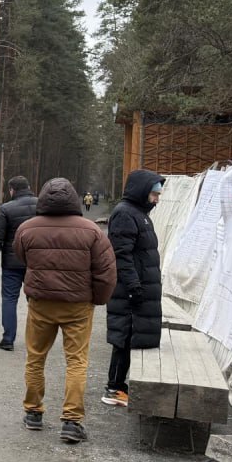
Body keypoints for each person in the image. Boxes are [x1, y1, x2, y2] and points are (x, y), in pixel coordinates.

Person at [12, 177, 117, 443]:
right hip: (78, 306)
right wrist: (98, 300)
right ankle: (71, 421)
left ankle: (33, 413)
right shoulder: (91, 230)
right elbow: (106, 272)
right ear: (74, 199)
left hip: (41, 303)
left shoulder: (27, 228)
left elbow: (22, 257)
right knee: (76, 362)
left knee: (35, 358)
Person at [103, 170, 165, 407]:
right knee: (124, 337)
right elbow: (122, 255)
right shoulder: (125, 214)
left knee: (131, 337)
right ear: (142, 190)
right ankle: (114, 388)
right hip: (129, 289)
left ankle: (119, 385)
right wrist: (133, 286)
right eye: (154, 194)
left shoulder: (139, 214)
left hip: (139, 286)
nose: (157, 199)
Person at [0, 175, 38, 352]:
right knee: (36, 301)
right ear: (29, 187)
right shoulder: (42, 206)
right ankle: (36, 340)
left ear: (11, 190)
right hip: (36, 262)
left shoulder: (6, 208)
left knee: (9, 299)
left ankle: (8, 339)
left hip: (12, 262)